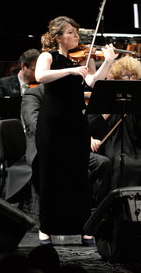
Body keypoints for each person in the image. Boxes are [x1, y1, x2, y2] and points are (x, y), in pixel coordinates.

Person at [34, 16, 117, 245]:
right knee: (50, 175)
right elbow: (40, 76)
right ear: (58, 37)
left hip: (76, 124)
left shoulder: (85, 58)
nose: (76, 36)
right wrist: (71, 71)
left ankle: (84, 228)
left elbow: (93, 82)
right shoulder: (47, 56)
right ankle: (46, 228)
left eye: (76, 32)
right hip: (51, 125)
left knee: (79, 176)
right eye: (71, 32)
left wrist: (107, 62)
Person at [21, 83, 113, 211]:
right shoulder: (33, 94)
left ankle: (95, 211)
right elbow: (35, 125)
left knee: (103, 163)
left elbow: (82, 121)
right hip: (45, 150)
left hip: (71, 149)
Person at [89, 56, 141, 190]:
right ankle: (118, 205)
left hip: (135, 145)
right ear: (118, 77)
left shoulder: (138, 99)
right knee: (120, 163)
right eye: (126, 76)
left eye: (133, 75)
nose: (130, 79)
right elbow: (91, 125)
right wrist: (110, 108)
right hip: (112, 144)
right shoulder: (105, 96)